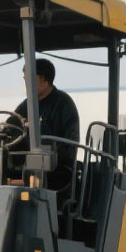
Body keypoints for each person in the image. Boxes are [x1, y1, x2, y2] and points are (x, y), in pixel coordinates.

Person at [13, 58, 80, 192]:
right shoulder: (25, 107)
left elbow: (70, 144)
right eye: (24, 79)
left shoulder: (64, 104)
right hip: (27, 166)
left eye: (29, 79)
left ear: (43, 80)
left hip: (56, 168)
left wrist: (50, 154)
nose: (26, 83)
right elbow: (12, 126)